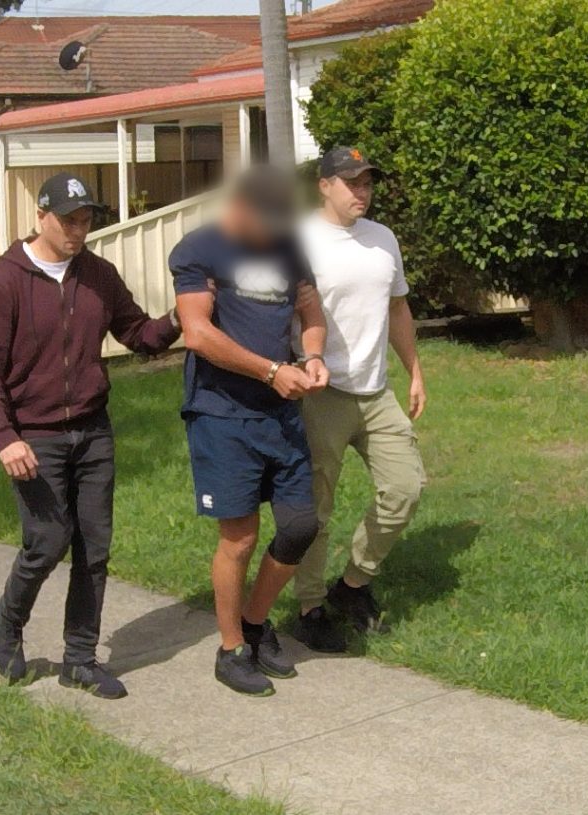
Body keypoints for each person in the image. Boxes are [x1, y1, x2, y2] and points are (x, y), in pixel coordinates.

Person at [0, 171, 180, 699]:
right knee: (46, 541)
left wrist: (181, 319)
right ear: (40, 216)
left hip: (92, 432)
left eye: (85, 220)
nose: (77, 230)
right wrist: (4, 435)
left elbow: (137, 333)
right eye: (68, 220)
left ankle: (80, 659)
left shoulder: (98, 276)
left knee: (93, 549)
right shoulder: (6, 280)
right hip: (32, 435)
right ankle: (8, 620)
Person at [170, 165, 329, 697]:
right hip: (222, 415)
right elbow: (196, 333)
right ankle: (231, 647)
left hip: (281, 413)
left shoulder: (286, 246)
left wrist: (311, 355)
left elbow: (311, 311)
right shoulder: (199, 249)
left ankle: (258, 624)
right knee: (239, 537)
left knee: (300, 525)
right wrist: (269, 370)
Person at [291, 147, 427, 654]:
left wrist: (414, 369)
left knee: (405, 488)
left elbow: (397, 308)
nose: (362, 192)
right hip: (321, 393)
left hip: (376, 390)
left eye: (368, 183)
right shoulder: (299, 239)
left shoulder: (382, 238)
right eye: (352, 183)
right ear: (324, 185)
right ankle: (308, 607)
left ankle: (352, 585)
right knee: (316, 510)